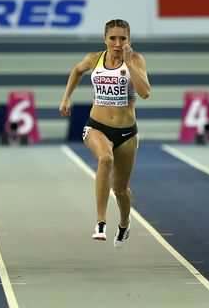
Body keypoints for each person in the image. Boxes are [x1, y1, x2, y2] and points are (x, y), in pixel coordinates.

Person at [59, 19, 150, 248]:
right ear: (105, 39)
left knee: (120, 190)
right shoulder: (94, 59)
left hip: (127, 133)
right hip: (96, 126)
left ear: (129, 40)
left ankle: (125, 223)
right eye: (113, 38)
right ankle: (100, 222)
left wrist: (129, 63)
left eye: (123, 38)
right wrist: (66, 97)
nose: (117, 43)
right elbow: (77, 70)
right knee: (105, 158)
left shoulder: (136, 60)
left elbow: (145, 92)